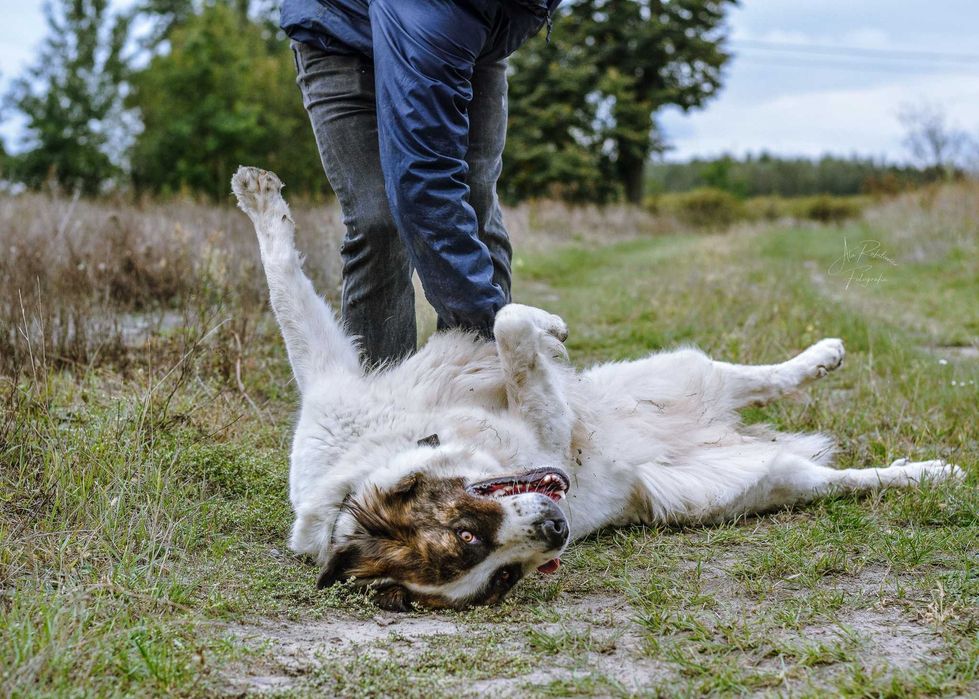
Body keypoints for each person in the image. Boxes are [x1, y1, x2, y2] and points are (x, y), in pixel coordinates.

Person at [280, 0, 560, 367]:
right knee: (378, 222)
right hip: (341, 37)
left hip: (469, 37)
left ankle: (481, 407)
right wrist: (499, 333)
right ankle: (386, 407)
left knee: (477, 209)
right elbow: (422, 179)